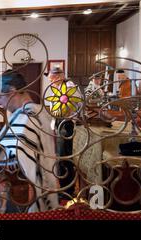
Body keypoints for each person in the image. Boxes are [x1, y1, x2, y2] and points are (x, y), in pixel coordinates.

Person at [0, 70, 59, 212]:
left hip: (25, 195)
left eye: (0, 96)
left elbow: (11, 162)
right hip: (43, 185)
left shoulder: (25, 118)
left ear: (12, 91)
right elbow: (23, 148)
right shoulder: (37, 111)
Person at [47, 66, 76, 198]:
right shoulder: (59, 87)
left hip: (66, 124)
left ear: (58, 77)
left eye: (51, 79)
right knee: (60, 157)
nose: (50, 82)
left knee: (64, 157)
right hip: (59, 123)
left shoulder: (68, 87)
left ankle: (67, 190)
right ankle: (64, 188)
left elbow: (65, 108)